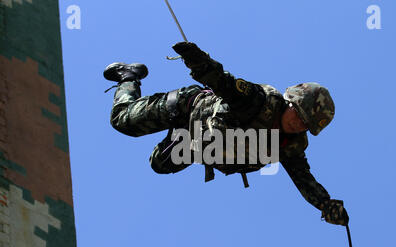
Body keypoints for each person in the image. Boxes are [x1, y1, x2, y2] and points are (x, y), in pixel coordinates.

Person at [103, 42, 349, 226]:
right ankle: (129, 76)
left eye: (307, 125)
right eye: (299, 115)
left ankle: (179, 139)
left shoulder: (289, 145)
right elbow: (224, 83)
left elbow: (304, 179)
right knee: (122, 122)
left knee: (159, 164)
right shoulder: (258, 100)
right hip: (185, 109)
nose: (299, 125)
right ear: (290, 102)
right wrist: (199, 62)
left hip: (194, 142)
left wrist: (326, 205)